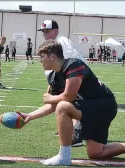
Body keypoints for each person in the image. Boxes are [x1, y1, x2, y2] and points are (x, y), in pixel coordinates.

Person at [16, 40, 125, 166]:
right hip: (88, 108)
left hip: (104, 105)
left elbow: (68, 97)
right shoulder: (54, 77)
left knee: (63, 106)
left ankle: (64, 156)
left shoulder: (73, 65)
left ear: (52, 56)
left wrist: (51, 98)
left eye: (42, 57)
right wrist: (30, 116)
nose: (40, 60)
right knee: (96, 153)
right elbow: (51, 105)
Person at [37, 19, 87, 147]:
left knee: (71, 103)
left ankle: (76, 135)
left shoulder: (62, 41)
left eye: (47, 31)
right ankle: (69, 130)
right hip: (59, 79)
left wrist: (66, 81)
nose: (45, 34)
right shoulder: (54, 43)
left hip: (70, 78)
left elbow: (71, 61)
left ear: (56, 31)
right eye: (43, 32)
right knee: (61, 103)